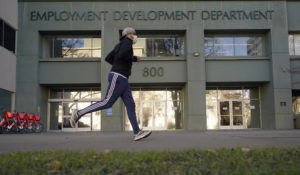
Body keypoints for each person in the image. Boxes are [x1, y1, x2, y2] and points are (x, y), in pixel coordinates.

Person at [69, 27, 152, 141]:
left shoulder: (119, 45)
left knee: (130, 105)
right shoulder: (127, 42)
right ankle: (78, 113)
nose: (135, 36)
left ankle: (137, 132)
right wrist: (133, 58)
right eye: (134, 34)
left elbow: (108, 58)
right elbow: (123, 55)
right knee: (107, 102)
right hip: (118, 77)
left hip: (123, 79)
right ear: (129, 34)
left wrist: (118, 63)